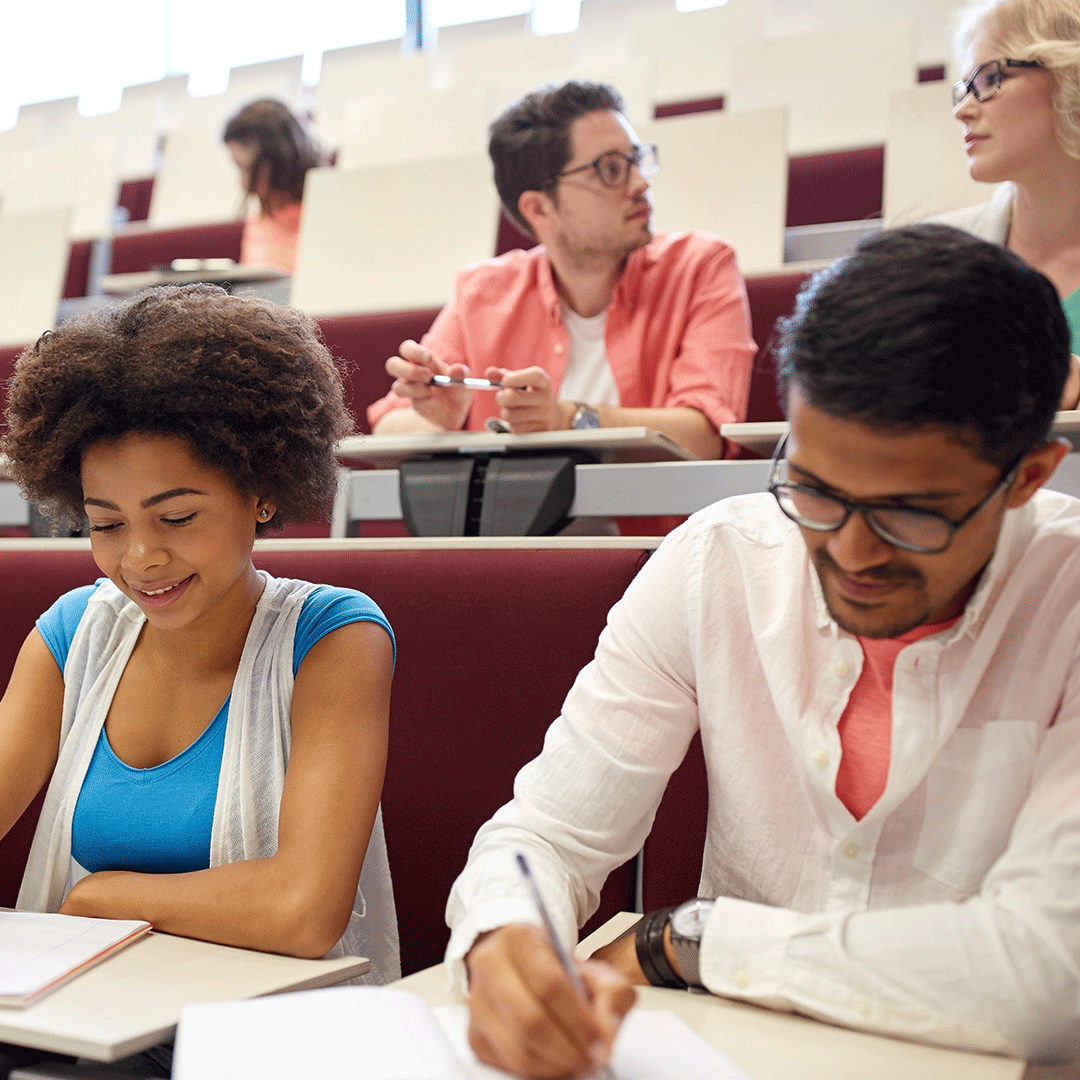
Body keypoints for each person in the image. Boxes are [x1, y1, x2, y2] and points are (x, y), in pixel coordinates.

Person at [446, 225, 1080, 1076]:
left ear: (1031, 476)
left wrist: (695, 943)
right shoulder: (720, 560)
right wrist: (505, 938)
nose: (851, 553)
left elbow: (1046, 975)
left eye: (909, 514)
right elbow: (548, 834)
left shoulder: (1066, 600)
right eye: (815, 490)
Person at [0, 286, 399, 987]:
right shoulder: (70, 636)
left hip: (268, 1042)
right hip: (85, 1034)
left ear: (261, 492)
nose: (140, 560)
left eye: (177, 518)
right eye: (106, 524)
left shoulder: (337, 639)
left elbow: (304, 912)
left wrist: (105, 897)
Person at [368, 81, 757, 461]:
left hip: (660, 527)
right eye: (610, 169)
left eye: (637, 160)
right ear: (539, 210)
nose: (640, 183)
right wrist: (445, 422)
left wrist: (569, 419)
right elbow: (385, 428)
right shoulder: (482, 292)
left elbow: (706, 437)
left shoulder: (701, 267)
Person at [938, 0, 1080, 404]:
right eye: (963, 90)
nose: (962, 110)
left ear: (1071, 75)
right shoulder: (940, 258)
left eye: (988, 80)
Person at [223, 99, 325, 274]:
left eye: (248, 169)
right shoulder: (258, 220)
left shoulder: (327, 214)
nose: (243, 185)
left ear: (281, 161)